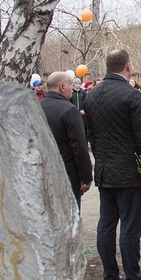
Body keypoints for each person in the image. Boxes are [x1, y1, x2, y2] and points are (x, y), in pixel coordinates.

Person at [85, 49, 141, 280]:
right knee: (129, 225)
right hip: (128, 171)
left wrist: (100, 159)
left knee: (106, 223)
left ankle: (110, 275)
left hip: (106, 170)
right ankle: (133, 278)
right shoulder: (132, 95)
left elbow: (92, 136)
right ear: (128, 66)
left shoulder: (92, 95)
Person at [40, 71, 93, 209]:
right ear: (62, 87)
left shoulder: (36, 107)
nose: (72, 87)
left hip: (41, 173)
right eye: (70, 84)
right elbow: (79, 146)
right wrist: (86, 176)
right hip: (66, 174)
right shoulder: (69, 110)